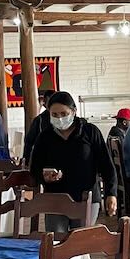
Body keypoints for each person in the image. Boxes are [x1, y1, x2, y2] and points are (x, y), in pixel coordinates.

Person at [29, 91, 117, 234]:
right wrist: (43, 176)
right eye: (55, 115)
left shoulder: (90, 132)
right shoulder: (45, 137)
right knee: (56, 242)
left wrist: (111, 193)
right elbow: (34, 168)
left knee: (80, 244)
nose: (60, 119)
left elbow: (106, 165)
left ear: (74, 111)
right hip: (55, 199)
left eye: (64, 114)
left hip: (85, 198)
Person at [22, 90, 52, 161]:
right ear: (45, 104)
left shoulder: (64, 120)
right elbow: (29, 142)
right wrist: (26, 159)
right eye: (48, 102)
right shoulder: (39, 120)